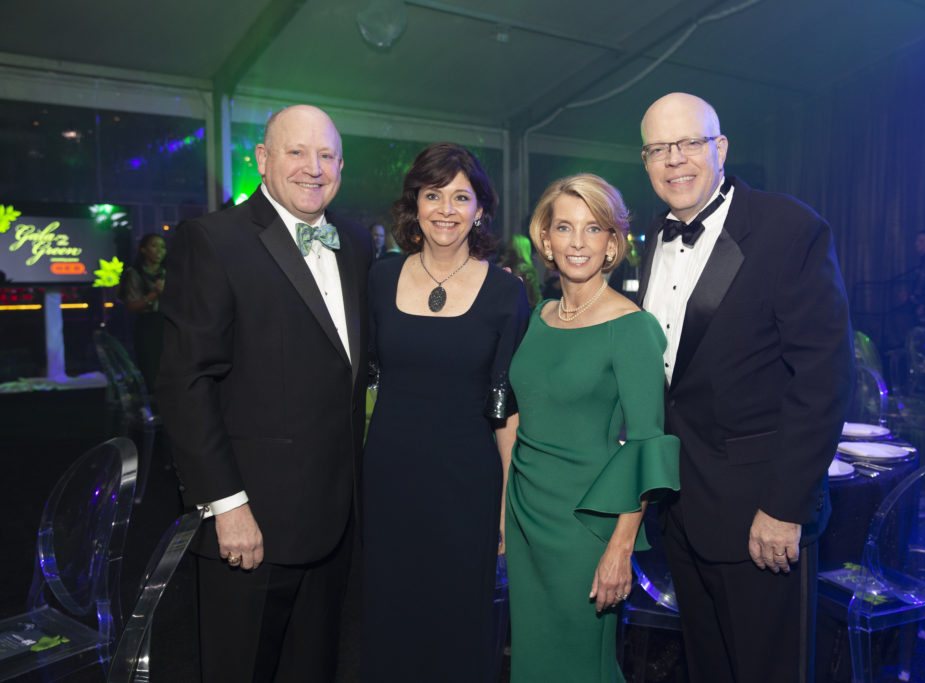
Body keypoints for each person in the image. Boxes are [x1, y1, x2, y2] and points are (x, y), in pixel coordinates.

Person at [636, 93, 854, 683]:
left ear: (721, 147)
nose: (674, 160)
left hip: (763, 517)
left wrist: (785, 508)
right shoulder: (653, 238)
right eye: (659, 149)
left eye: (688, 144)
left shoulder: (790, 228)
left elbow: (825, 378)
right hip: (682, 508)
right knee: (709, 667)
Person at [157, 104, 372, 683]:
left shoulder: (353, 242)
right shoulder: (213, 239)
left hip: (334, 518)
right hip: (252, 524)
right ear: (262, 160)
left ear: (341, 166)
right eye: (297, 152)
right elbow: (186, 383)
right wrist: (227, 507)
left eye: (326, 155)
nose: (313, 167)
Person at [361, 142, 528, 682]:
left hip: (467, 490)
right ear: (416, 203)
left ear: (481, 207)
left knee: (460, 629)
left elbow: (509, 411)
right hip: (388, 484)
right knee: (390, 622)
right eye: (434, 195)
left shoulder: (507, 294)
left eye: (462, 196)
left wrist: (506, 509)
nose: (447, 209)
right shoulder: (381, 278)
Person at [505, 173, 679, 682]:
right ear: (546, 238)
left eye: (593, 228)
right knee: (535, 661)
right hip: (525, 516)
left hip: (586, 526)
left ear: (612, 244)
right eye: (564, 227)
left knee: (581, 664)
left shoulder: (631, 327)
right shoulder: (539, 315)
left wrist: (620, 549)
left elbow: (647, 444)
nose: (577, 242)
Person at [117, 232, 166, 391]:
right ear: (143, 250)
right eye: (154, 246)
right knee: (151, 371)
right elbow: (131, 307)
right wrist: (154, 294)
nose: (159, 250)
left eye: (163, 247)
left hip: (170, 326)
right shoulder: (134, 273)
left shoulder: (170, 272)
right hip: (148, 326)